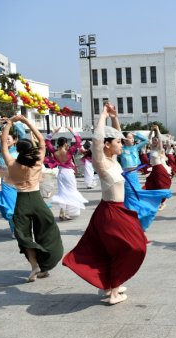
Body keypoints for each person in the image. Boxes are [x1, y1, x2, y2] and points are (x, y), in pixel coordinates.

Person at [63, 104, 147, 305]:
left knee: (117, 248)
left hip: (116, 210)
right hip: (111, 211)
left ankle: (111, 284)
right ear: (107, 145)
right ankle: (114, 293)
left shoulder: (114, 159)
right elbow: (97, 139)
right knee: (134, 247)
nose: (123, 143)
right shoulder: (101, 162)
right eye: (118, 142)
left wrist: (114, 117)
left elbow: (115, 134)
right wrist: (102, 115)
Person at [0, 115, 63, 282]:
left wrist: (10, 123)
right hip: (37, 200)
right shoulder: (36, 162)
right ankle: (44, 265)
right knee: (47, 231)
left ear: (18, 150)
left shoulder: (12, 164)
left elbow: (3, 145)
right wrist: (26, 122)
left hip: (22, 202)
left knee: (24, 235)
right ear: (30, 150)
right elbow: (41, 141)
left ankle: (35, 265)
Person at [119, 115, 171, 231]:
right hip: (126, 176)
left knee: (138, 195)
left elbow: (146, 140)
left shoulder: (135, 148)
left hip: (135, 175)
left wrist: (134, 133)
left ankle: (135, 218)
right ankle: (129, 219)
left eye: (133, 138)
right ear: (124, 139)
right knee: (130, 196)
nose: (132, 140)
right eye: (130, 138)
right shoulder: (120, 150)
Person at [45, 126, 88, 220]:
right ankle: (66, 212)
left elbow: (47, 141)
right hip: (68, 173)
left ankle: (62, 213)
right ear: (65, 144)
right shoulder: (69, 151)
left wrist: (53, 132)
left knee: (62, 193)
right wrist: (72, 130)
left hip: (60, 173)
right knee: (71, 191)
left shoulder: (54, 151)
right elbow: (78, 141)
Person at [144, 125, 172, 210]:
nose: (154, 141)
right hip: (154, 169)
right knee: (151, 184)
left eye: (155, 140)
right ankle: (156, 201)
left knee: (161, 185)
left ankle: (163, 203)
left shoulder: (159, 149)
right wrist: (152, 131)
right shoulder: (152, 147)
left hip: (159, 168)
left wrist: (158, 130)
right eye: (153, 140)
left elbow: (160, 139)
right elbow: (147, 140)